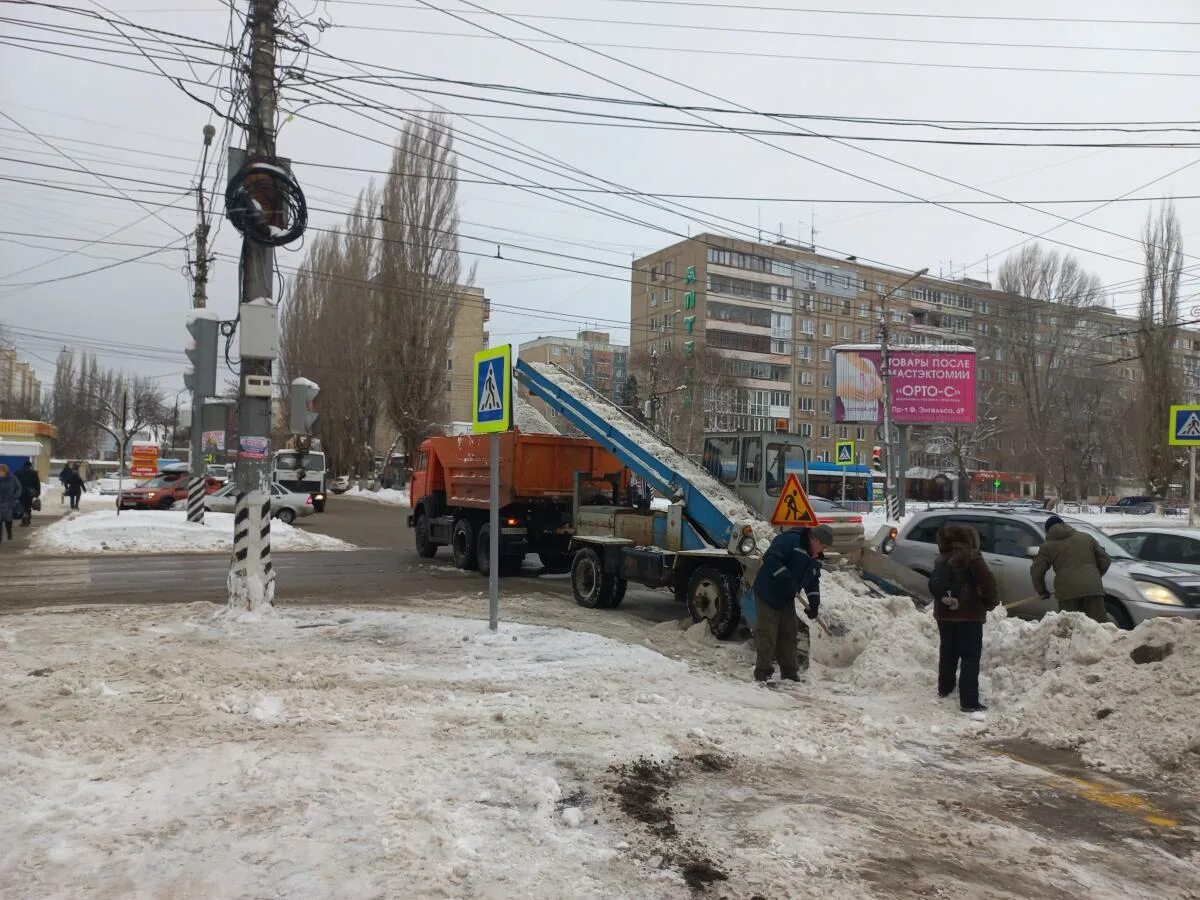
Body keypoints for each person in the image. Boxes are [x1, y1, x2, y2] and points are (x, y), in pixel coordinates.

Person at [750, 523, 833, 683]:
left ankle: (789, 673)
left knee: (789, 634)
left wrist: (814, 603)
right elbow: (771, 559)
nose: (822, 549)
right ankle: (763, 673)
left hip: (786, 597)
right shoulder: (790, 541)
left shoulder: (814, 557)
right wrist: (786, 578)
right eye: (822, 545)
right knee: (768, 634)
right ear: (813, 538)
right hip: (768, 592)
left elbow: (812, 581)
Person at [930, 524, 999, 713]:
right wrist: (991, 602)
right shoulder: (973, 557)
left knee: (948, 652)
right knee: (969, 657)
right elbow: (987, 582)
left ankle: (945, 689)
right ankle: (969, 702)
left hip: (944, 615)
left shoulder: (941, 558)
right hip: (969, 615)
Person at [1031, 515, 1111, 623]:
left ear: (1048, 530)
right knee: (1098, 629)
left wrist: (1042, 591)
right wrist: (1094, 576)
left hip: (1067, 593)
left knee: (1070, 629)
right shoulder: (1086, 537)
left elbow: (1037, 571)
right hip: (1093, 589)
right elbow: (1105, 559)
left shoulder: (1047, 546)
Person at [0, 464, 22, 544]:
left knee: (8, 520)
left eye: (2, 471)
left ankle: (9, 532)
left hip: (9, 503)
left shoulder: (13, 478)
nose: (0, 473)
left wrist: (15, 496)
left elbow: (19, 487)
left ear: (6, 471)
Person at [15, 459, 40, 526]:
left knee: (22, 507)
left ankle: (24, 521)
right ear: (30, 466)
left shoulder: (18, 472)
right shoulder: (34, 473)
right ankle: (27, 520)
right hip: (30, 493)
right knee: (28, 507)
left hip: (21, 492)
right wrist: (37, 493)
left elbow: (15, 483)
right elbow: (37, 484)